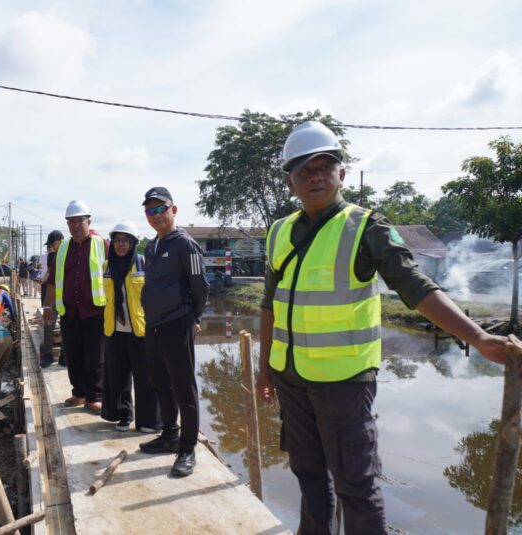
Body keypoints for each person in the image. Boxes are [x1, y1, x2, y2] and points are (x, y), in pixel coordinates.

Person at [255, 120, 512, 534]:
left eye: (325, 166)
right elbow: (269, 304)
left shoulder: (366, 227)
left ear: (342, 172)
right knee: (308, 474)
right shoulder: (279, 232)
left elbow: (417, 288)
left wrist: (477, 336)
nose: (316, 175)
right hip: (290, 377)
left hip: (344, 380)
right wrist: (265, 367)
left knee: (355, 484)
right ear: (291, 181)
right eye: (305, 169)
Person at [139, 187, 209, 477]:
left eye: (160, 209)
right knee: (159, 383)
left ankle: (187, 447)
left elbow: (201, 287)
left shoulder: (185, 245)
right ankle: (169, 434)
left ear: (173, 210)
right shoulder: (152, 247)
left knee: (183, 388)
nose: (155, 215)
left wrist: (193, 316)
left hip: (177, 323)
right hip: (153, 325)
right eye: (150, 211)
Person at [44, 200, 107, 413]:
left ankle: (95, 396)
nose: (76, 225)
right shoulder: (62, 250)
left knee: (96, 356)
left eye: (80, 220)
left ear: (88, 221)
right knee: (73, 354)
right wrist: (47, 308)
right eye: (71, 222)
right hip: (69, 312)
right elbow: (52, 280)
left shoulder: (102, 245)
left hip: (96, 311)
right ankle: (78, 393)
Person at [101, 220, 162, 433]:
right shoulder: (106, 267)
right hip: (115, 330)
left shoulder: (144, 264)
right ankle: (124, 415)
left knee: (145, 376)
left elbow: (155, 297)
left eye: (125, 240)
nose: (120, 245)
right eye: (117, 240)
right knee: (118, 376)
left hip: (140, 329)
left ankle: (148, 421)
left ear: (133, 243)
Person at [40, 231, 64, 368]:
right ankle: (48, 355)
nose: (51, 247)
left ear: (60, 240)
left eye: (52, 244)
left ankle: (64, 356)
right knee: (49, 325)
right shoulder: (51, 257)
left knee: (66, 327)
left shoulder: (69, 253)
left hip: (67, 296)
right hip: (53, 296)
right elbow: (50, 276)